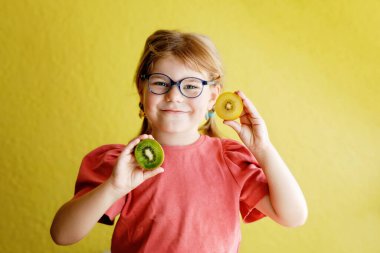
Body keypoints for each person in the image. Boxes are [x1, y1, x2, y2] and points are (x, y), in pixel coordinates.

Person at [50, 29, 308, 253]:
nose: (174, 95)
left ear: (213, 97)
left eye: (191, 85)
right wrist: (115, 187)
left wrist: (263, 149)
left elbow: (293, 216)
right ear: (142, 91)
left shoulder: (230, 159)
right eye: (161, 83)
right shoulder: (123, 164)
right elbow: (62, 235)